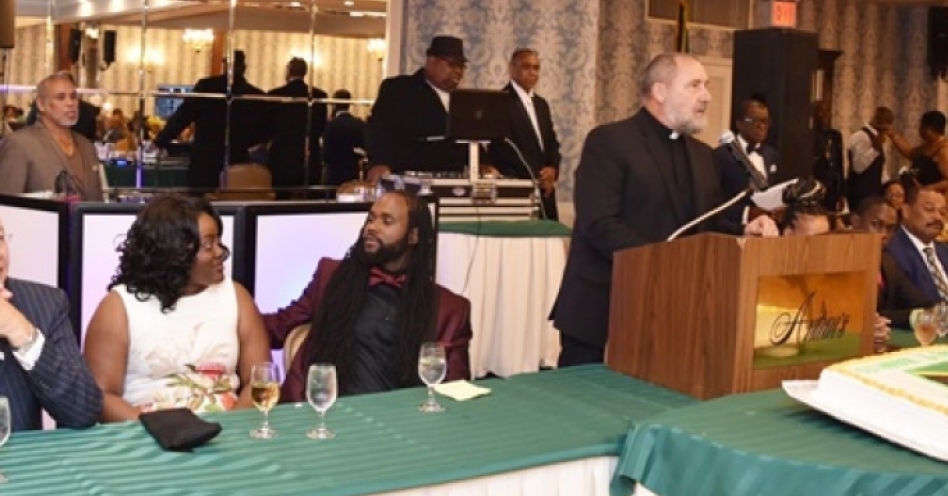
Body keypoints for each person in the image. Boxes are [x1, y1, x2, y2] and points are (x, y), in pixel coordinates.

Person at [551, 52, 777, 367]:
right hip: (606, 311)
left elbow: (703, 225)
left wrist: (744, 231)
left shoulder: (702, 155)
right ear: (660, 91)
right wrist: (666, 263)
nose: (707, 96)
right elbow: (599, 223)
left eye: (706, 85)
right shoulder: (610, 141)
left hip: (673, 315)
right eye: (694, 85)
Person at [264, 191, 472, 400]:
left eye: (386, 221)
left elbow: (455, 391)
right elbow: (280, 326)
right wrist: (243, 312)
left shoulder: (450, 310)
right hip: (326, 408)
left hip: (403, 414)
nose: (372, 227)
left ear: (413, 236)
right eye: (371, 219)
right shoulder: (331, 277)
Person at [83, 194, 270, 422]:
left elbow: (261, 379)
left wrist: (233, 427)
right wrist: (158, 430)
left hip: (227, 429)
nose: (220, 252)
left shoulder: (236, 296)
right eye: (208, 245)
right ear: (175, 253)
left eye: (218, 241)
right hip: (146, 431)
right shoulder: (119, 307)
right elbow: (102, 397)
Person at [0, 214, 102, 431]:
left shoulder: (44, 304)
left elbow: (83, 411)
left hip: (21, 453)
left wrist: (19, 330)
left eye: (0, 238)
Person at [154, 51, 266, 189]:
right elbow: (264, 131)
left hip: (205, 160)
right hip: (237, 159)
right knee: (234, 197)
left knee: (200, 197)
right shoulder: (255, 95)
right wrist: (243, 142)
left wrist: (162, 139)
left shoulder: (206, 86)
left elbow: (183, 116)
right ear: (244, 67)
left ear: (225, 66)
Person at [365, 36, 472, 180]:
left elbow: (471, 139)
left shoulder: (463, 100)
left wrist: (484, 164)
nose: (458, 71)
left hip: (453, 181)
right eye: (452, 64)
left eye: (461, 66)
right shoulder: (400, 89)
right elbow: (379, 129)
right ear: (431, 61)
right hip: (409, 178)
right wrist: (379, 162)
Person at [0, 73, 104, 201]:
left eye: (73, 97)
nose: (70, 103)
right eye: (60, 97)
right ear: (41, 104)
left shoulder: (87, 146)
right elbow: (6, 202)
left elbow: (97, 200)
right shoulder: (20, 144)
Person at [489, 48, 562, 221]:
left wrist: (553, 169)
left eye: (536, 68)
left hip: (545, 190)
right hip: (517, 188)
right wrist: (535, 175)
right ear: (512, 69)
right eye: (526, 67)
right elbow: (501, 148)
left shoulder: (541, 104)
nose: (532, 73)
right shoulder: (500, 101)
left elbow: (551, 143)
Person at [850, 197, 934, 329]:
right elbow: (858, 314)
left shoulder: (888, 262)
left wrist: (937, 313)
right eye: (876, 225)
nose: (884, 234)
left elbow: (922, 303)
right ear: (856, 222)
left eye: (890, 228)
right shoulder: (839, 261)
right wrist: (913, 317)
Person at [265, 57, 328, 190]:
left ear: (288, 71)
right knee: (309, 196)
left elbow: (268, 127)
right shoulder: (319, 95)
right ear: (305, 72)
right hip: (309, 154)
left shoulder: (275, 94)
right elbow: (321, 127)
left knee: (280, 194)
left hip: (281, 155)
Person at [715, 95, 780, 224]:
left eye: (765, 121)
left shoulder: (772, 155)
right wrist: (747, 213)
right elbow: (714, 203)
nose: (761, 126)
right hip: (732, 230)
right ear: (739, 124)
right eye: (755, 120)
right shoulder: (721, 156)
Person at [884, 186, 948, 304]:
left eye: (942, 212)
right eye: (929, 209)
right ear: (906, 211)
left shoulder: (944, 250)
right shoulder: (891, 252)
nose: (938, 217)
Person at [847, 106, 895, 212]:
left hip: (874, 194)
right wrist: (875, 149)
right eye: (885, 122)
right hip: (860, 195)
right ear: (876, 119)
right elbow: (858, 167)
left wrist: (889, 185)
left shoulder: (878, 138)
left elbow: (879, 169)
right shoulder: (860, 136)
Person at [891, 110, 948, 193]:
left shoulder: (943, 150)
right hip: (917, 194)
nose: (919, 129)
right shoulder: (927, 145)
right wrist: (893, 135)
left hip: (932, 198)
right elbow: (910, 153)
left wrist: (928, 188)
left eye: (921, 126)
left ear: (929, 129)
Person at [323, 89, 366, 186]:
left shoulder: (330, 124)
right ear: (349, 103)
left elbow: (326, 154)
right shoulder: (359, 124)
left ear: (334, 104)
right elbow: (364, 149)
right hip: (352, 172)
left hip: (333, 174)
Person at [812, 100, 845, 212]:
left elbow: (840, 165)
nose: (824, 115)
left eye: (827, 111)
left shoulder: (835, 136)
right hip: (815, 188)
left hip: (832, 190)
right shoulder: (810, 135)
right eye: (821, 111)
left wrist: (842, 193)